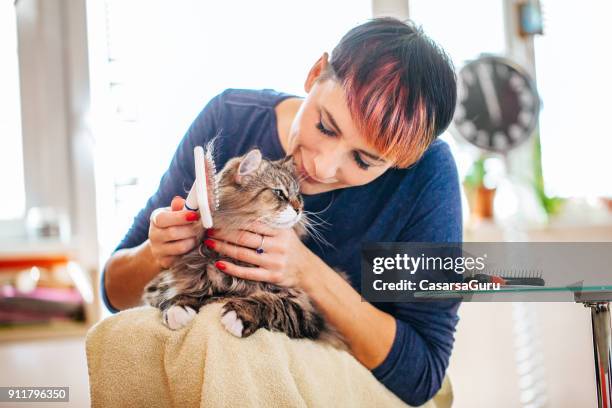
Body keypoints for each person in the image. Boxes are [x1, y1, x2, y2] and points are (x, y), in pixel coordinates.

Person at [102, 17, 462, 406]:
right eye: (325, 126)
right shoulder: (231, 120)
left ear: (401, 161)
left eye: (363, 161)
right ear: (315, 73)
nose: (322, 168)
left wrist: (305, 270)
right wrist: (158, 252)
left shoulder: (426, 177)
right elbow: (114, 292)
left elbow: (423, 373)